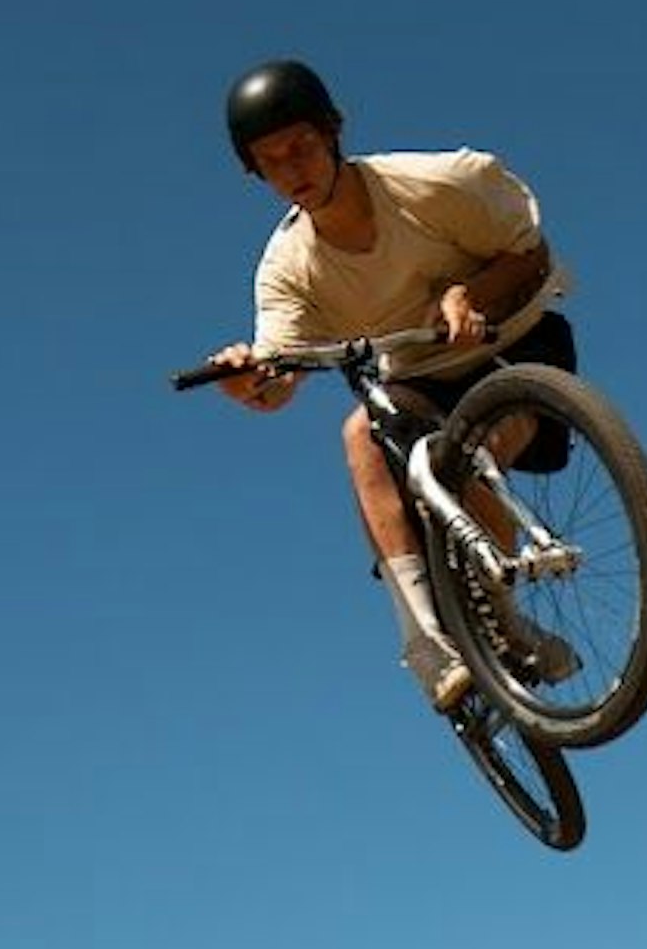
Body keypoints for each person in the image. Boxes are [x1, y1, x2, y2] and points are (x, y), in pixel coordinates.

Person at [201, 59, 577, 711]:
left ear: (334, 131)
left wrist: (471, 293)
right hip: (416, 384)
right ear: (254, 172)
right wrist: (250, 384)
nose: (294, 169)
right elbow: (278, 375)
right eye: (272, 160)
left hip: (513, 346)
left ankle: (506, 621)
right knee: (362, 433)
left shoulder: (435, 185)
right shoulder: (288, 269)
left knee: (472, 449)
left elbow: (531, 251)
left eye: (303, 147)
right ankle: (424, 640)